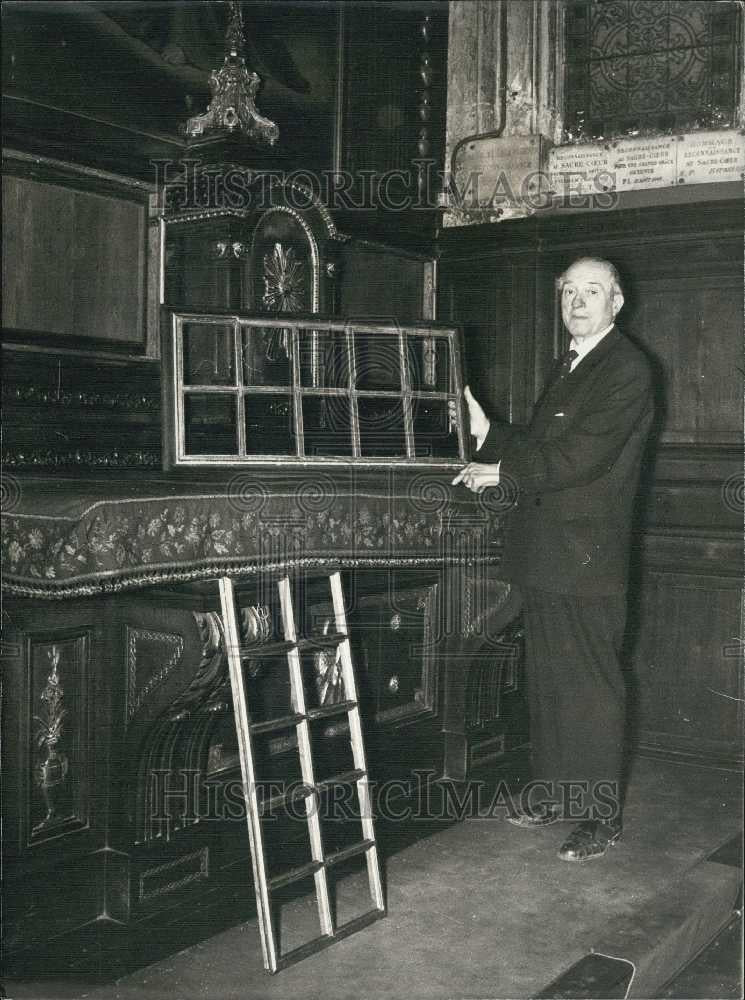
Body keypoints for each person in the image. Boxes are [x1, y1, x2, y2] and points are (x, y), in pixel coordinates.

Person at [452, 257, 654, 861]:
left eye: (593, 291)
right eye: (569, 291)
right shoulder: (573, 363)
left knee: (590, 688)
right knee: (548, 683)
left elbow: (578, 462)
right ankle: (553, 794)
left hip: (586, 557)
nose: (579, 301)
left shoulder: (627, 368)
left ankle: (600, 816)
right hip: (548, 554)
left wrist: (501, 472)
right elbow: (547, 448)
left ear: (617, 303)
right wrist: (490, 431)